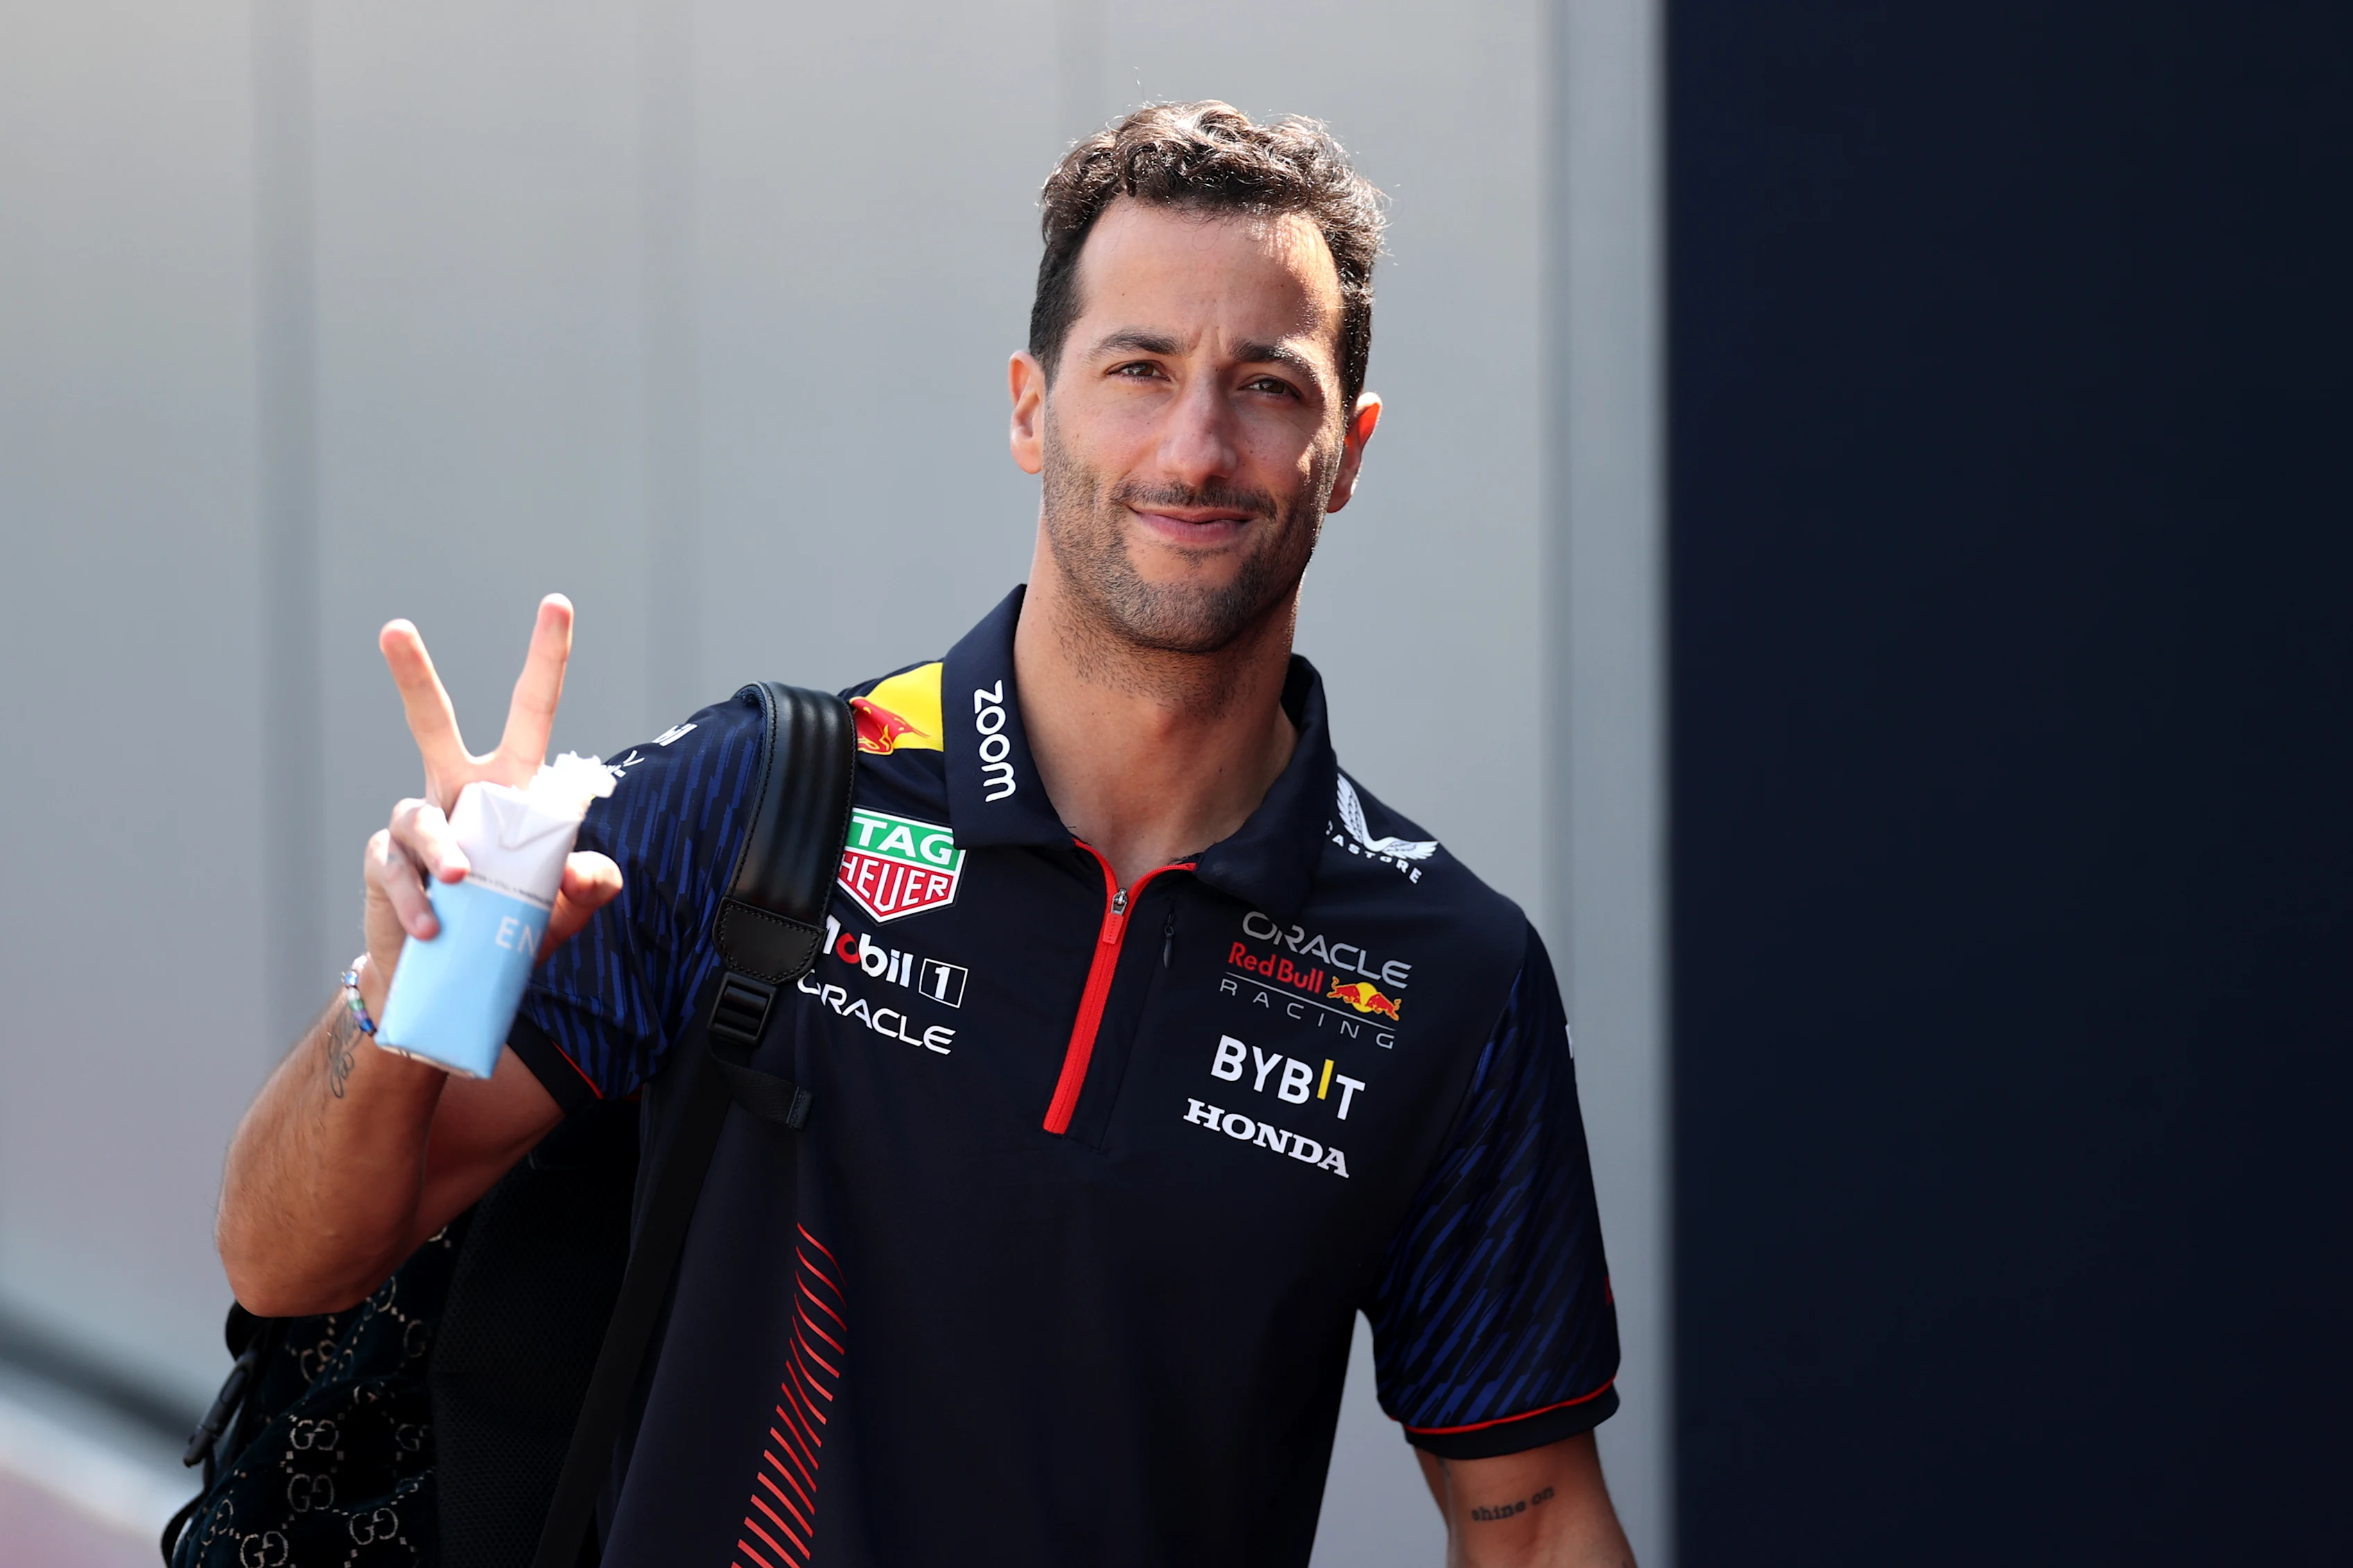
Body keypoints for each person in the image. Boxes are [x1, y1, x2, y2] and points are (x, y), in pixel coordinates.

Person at [216, 101, 1635, 1567]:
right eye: (1137, 370)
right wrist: (412, 988)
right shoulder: (765, 796)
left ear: (1347, 450)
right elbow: (287, 1260)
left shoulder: (1445, 977)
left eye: (1267, 386)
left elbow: (1528, 1525)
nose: (1196, 444)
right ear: (1031, 406)